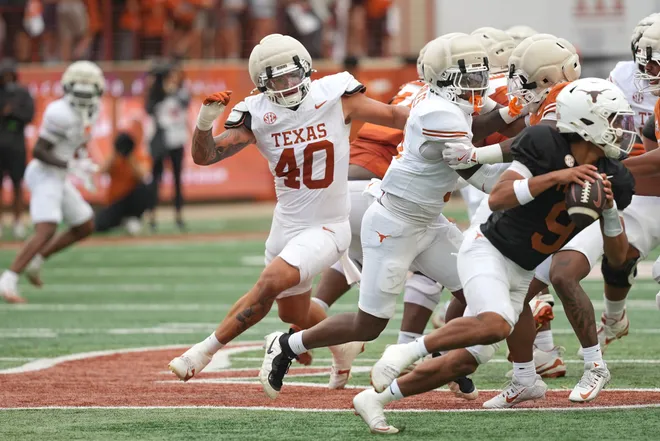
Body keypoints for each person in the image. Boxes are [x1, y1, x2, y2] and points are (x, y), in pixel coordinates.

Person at [259, 33, 534, 402]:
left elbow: (482, 121)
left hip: (429, 221)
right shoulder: (437, 112)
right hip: (394, 224)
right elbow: (476, 165)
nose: (478, 86)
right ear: (443, 80)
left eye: (479, 76)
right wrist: (534, 165)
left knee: (477, 289)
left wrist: (516, 111)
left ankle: (439, 353)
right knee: (368, 325)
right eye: (468, 79)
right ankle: (288, 344)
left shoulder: (449, 99)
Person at [352, 77, 636, 433]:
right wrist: (556, 177)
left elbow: (618, 257)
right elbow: (499, 197)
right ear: (586, 122)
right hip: (487, 249)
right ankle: (404, 352)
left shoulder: (615, 177)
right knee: (495, 324)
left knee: (470, 358)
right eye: (613, 120)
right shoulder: (544, 143)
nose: (623, 129)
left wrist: (609, 212)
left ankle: (374, 399)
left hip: (521, 269)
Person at [167, 33, 410, 391]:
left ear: (305, 69)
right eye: (277, 79)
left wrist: (446, 123)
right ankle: (342, 346)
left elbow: (393, 115)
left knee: (269, 283)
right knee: (294, 314)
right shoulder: (258, 113)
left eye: (292, 75)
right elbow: (205, 157)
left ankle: (203, 351)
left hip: (328, 226)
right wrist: (205, 123)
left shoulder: (336, 96)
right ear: (263, 84)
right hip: (286, 226)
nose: (288, 84)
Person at [0, 61, 104, 303]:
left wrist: (80, 158)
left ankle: (36, 260)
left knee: (84, 225)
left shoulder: (93, 108)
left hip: (58, 174)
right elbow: (39, 150)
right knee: (46, 228)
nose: (85, 94)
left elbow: (78, 139)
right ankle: (8, 279)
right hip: (45, 173)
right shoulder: (59, 111)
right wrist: (69, 165)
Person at [144, 61, 189, 231]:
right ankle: (152, 216)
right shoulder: (156, 93)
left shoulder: (180, 92)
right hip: (161, 140)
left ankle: (178, 216)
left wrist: (173, 90)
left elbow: (185, 101)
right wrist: (159, 88)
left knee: (177, 179)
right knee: (156, 179)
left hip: (177, 139)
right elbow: (148, 109)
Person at [0, 59, 34, 239]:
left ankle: (18, 221)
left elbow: (30, 115)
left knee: (17, 184)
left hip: (16, 145)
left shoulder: (22, 94)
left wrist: (13, 113)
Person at [95, 131, 151, 235]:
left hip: (131, 198)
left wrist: (129, 157)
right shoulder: (114, 157)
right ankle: (122, 222)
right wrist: (115, 153)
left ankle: (133, 218)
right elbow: (101, 171)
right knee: (99, 225)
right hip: (116, 201)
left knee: (145, 189)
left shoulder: (137, 156)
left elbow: (143, 176)